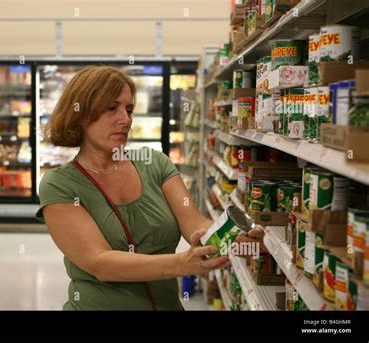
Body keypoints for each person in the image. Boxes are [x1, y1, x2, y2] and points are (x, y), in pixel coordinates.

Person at [36, 65, 264, 310]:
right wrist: (181, 264)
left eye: (129, 109)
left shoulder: (154, 163)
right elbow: (99, 263)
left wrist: (229, 235)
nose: (125, 119)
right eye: (111, 108)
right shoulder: (59, 184)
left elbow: (194, 224)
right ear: (80, 114)